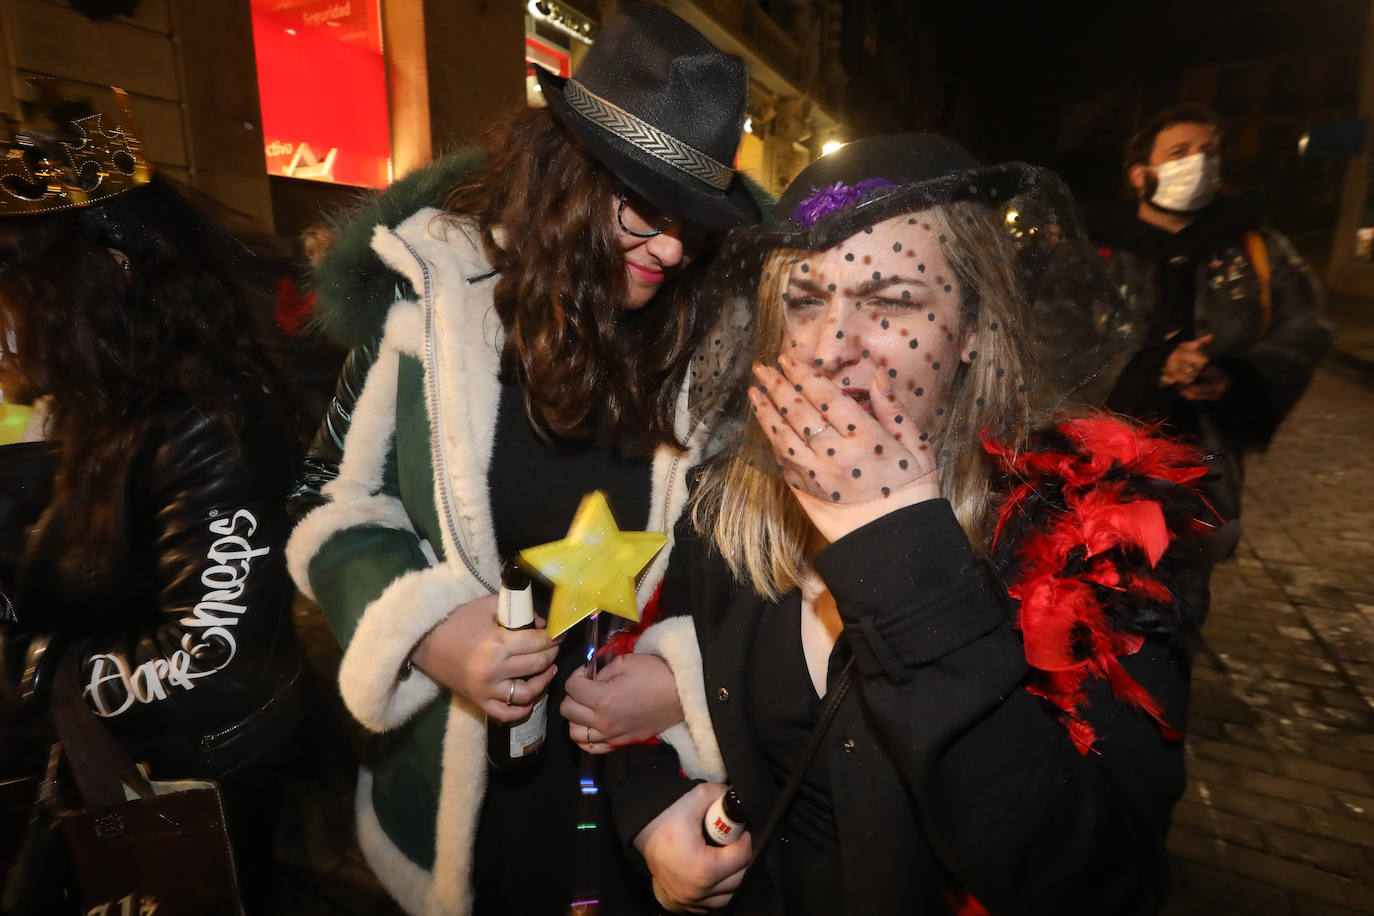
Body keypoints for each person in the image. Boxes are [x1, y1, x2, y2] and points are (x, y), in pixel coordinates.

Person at [604, 134, 1219, 914]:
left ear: (972, 330)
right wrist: (652, 811)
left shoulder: (1091, 543)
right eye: (804, 300)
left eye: (892, 301)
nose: (832, 349)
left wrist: (901, 555)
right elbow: (635, 679)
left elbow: (1103, 883)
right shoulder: (734, 502)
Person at [283, 5, 763, 913]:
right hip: (468, 791)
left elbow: (762, 567)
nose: (672, 248)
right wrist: (430, 631)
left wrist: (683, 685)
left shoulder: (721, 338)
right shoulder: (431, 299)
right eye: (646, 211)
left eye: (694, 224)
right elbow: (324, 501)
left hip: (645, 789)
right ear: (567, 178)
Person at [0, 86, 305, 908]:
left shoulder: (208, 416)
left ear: (102, 281)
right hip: (80, 767)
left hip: (179, 792)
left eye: (18, 286)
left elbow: (212, 660)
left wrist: (26, 675)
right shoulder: (71, 403)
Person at [1096, 103, 1331, 522]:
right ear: (1139, 175)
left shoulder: (1255, 247)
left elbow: (1306, 329)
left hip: (1208, 463)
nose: (1198, 162)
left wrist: (1235, 377)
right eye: (1179, 152)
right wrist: (1150, 369)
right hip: (1100, 466)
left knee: (1192, 567)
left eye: (1208, 151)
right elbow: (1050, 335)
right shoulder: (1095, 251)